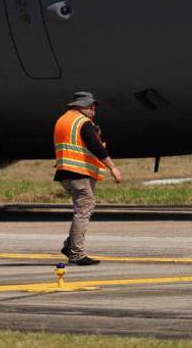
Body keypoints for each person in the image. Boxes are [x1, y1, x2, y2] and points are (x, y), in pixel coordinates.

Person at [54, 92, 122, 266]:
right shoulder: (83, 123)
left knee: (82, 209)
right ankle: (76, 253)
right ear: (82, 107)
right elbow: (96, 147)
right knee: (83, 211)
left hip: (65, 172)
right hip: (79, 173)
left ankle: (70, 246)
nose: (94, 111)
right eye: (91, 107)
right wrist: (112, 167)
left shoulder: (63, 120)